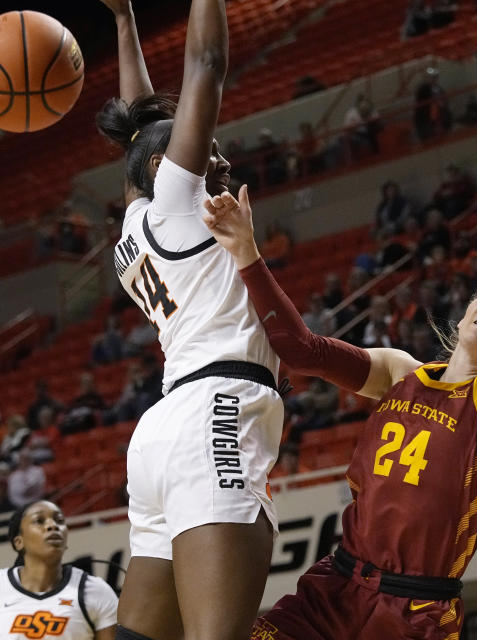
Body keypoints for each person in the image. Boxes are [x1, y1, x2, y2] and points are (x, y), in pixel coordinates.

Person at [204, 100, 477, 640]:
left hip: (412, 614)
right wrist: (246, 253)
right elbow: (303, 351)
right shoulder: (401, 372)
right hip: (333, 590)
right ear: (469, 308)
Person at [95, 0, 283, 639]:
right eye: (211, 158)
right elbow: (207, 61)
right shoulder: (180, 203)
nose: (220, 165)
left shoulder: (134, 223)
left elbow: (138, 130)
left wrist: (125, 21)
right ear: (162, 171)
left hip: (163, 430)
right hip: (216, 411)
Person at [0, 500, 118, 639]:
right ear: (19, 542)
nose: (52, 526)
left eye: (59, 520)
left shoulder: (96, 591)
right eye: (39, 521)